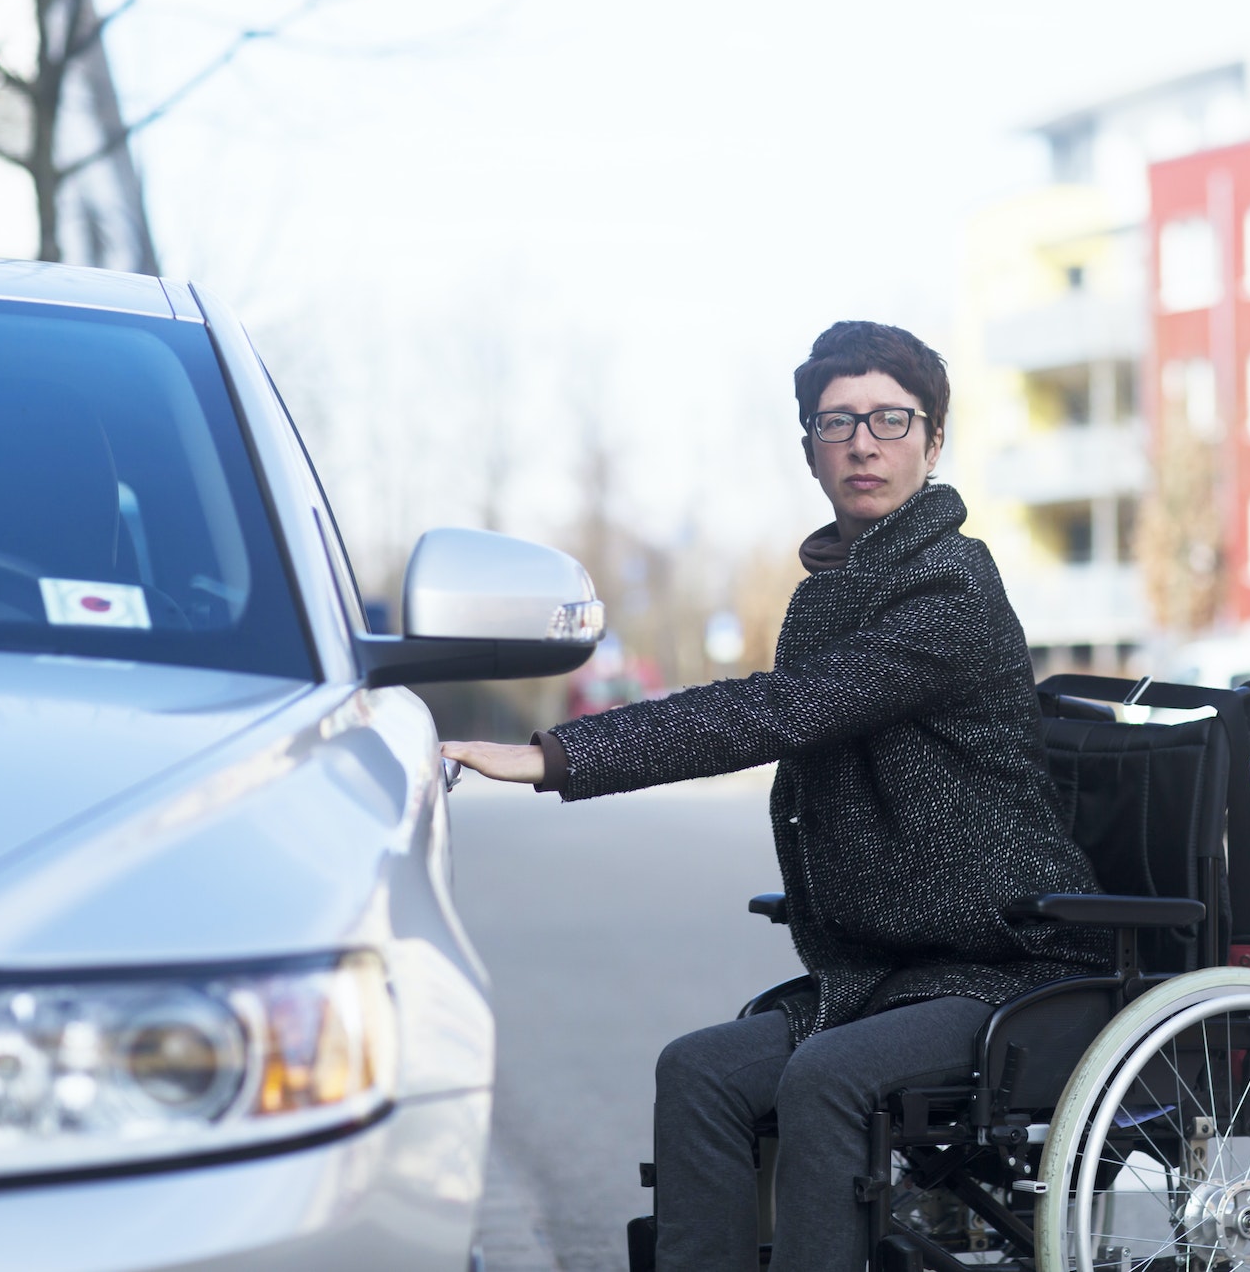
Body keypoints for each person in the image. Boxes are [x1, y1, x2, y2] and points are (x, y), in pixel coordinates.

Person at [442, 320, 1106, 1271]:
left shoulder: (952, 588)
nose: (863, 442)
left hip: (1003, 963)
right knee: (700, 1071)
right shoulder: (829, 593)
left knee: (828, 1081)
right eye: (837, 422)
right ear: (809, 447)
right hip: (880, 974)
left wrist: (558, 758)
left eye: (889, 418)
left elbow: (776, 713)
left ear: (933, 438)